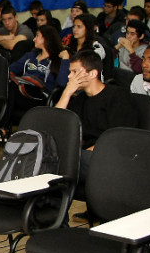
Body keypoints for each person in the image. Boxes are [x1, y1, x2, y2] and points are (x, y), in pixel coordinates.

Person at [56, 50, 137, 191]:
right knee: (50, 157)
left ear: (93, 74)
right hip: (87, 155)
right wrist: (67, 93)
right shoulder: (80, 100)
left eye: (75, 72)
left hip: (111, 155)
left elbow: (119, 137)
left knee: (64, 164)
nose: (69, 76)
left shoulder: (117, 96)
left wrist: (84, 152)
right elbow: (56, 123)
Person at [3, 26, 63, 129]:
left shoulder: (56, 60)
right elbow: (10, 69)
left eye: (37, 36)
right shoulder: (30, 56)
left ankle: (2, 127)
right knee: (7, 84)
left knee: (12, 87)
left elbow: (62, 83)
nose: (34, 39)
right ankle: (1, 126)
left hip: (41, 96)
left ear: (46, 39)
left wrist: (65, 59)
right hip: (23, 90)